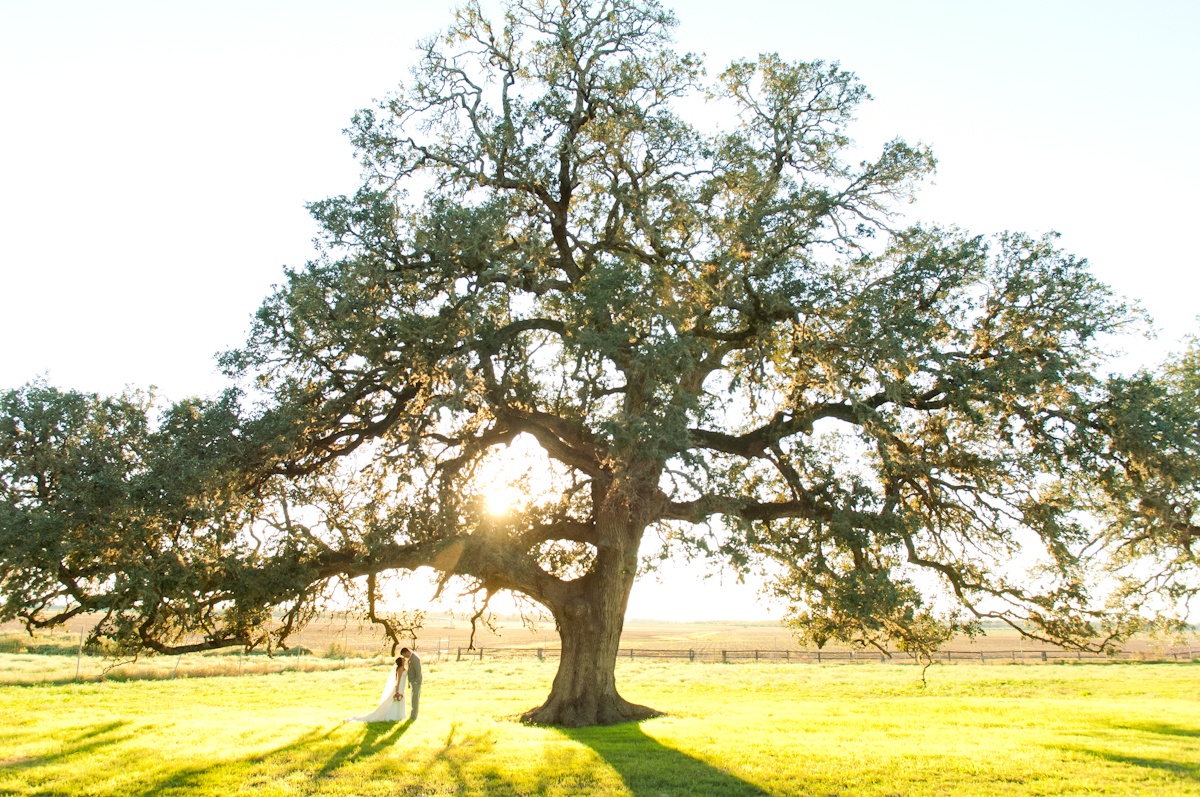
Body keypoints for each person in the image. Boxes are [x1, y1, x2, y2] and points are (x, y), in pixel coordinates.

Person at [345, 656, 407, 723]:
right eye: (403, 659)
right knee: (396, 702)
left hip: (402, 687)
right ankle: (394, 715)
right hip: (399, 687)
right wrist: (397, 690)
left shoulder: (403, 668)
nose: (404, 659)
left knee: (398, 702)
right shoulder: (400, 668)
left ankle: (398, 715)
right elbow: (399, 679)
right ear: (401, 662)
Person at [400, 647, 422, 720]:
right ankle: (412, 714)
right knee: (413, 699)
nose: (404, 657)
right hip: (412, 681)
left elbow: (418, 670)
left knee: (415, 699)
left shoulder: (414, 658)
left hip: (416, 682)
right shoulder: (411, 658)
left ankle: (413, 716)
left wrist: (416, 681)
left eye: (404, 655)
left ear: (407, 652)